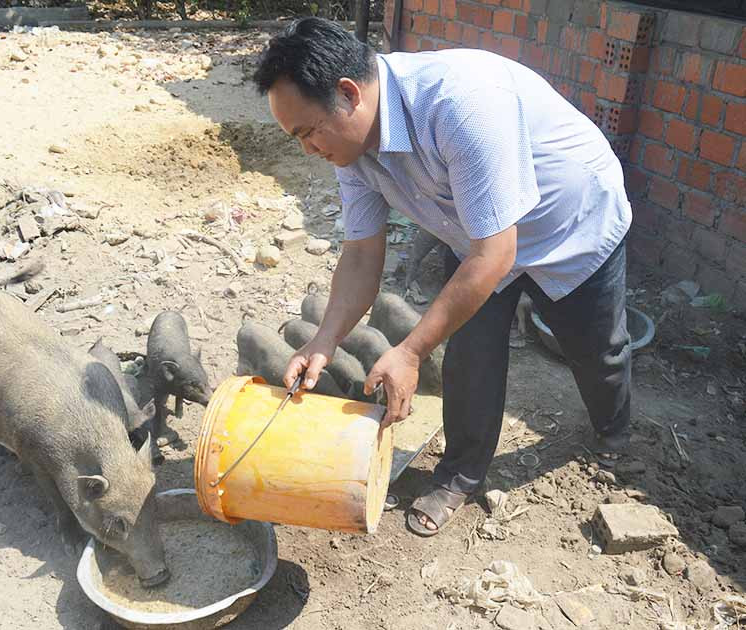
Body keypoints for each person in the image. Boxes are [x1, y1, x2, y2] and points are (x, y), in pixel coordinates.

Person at [253, 17, 632, 537]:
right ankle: (459, 475)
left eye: (308, 133)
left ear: (347, 94)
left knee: (595, 347)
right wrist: (324, 340)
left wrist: (409, 351)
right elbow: (363, 255)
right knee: (469, 358)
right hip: (479, 232)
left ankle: (614, 432)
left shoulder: (461, 105)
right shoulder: (348, 143)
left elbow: (495, 253)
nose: (308, 150)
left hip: (570, 220)